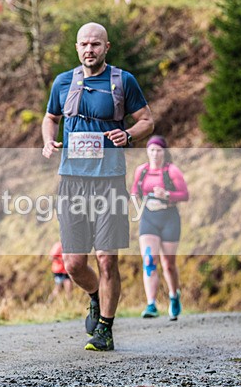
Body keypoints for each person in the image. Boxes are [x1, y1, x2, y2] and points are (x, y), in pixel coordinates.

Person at [42, 22, 154, 351]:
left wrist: (129, 134)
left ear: (107, 47)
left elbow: (147, 119)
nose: (89, 49)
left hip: (109, 182)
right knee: (74, 264)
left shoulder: (123, 81)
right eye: (83, 44)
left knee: (107, 259)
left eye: (95, 44)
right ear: (77, 48)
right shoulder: (63, 82)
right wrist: (49, 141)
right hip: (73, 182)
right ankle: (95, 296)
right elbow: (50, 117)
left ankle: (105, 328)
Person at [131, 135, 189, 320]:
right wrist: (139, 205)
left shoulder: (172, 171)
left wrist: (167, 194)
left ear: (164, 152)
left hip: (169, 218)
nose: (155, 154)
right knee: (149, 261)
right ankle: (151, 304)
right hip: (149, 218)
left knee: (168, 264)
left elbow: (184, 195)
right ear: (147, 152)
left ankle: (174, 296)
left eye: (158, 150)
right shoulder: (141, 171)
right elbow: (134, 191)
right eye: (152, 150)